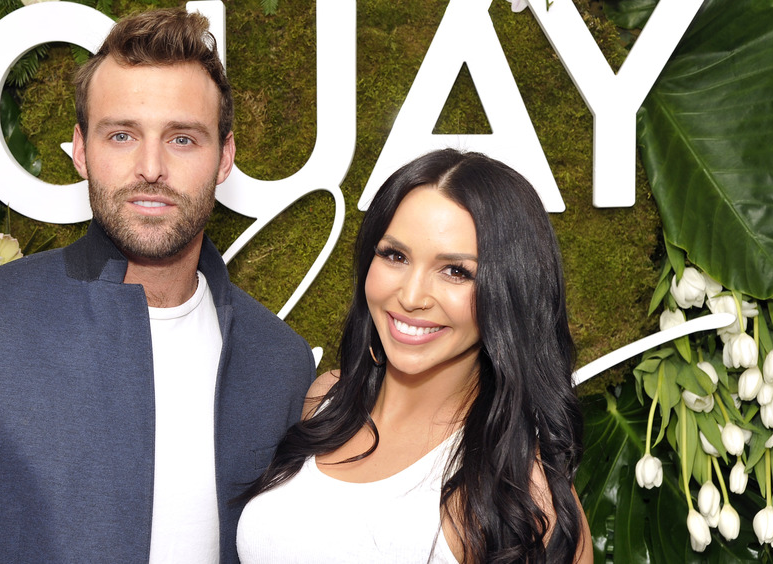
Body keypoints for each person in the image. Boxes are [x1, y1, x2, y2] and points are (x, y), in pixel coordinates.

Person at [0, 8, 316, 563]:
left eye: (182, 138)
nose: (150, 167)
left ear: (224, 156)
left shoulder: (280, 361)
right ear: (81, 150)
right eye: (122, 134)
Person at [236, 149, 592, 563]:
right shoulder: (326, 399)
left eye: (456, 271)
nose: (410, 296)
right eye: (395, 256)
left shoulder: (519, 495)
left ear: (509, 292)